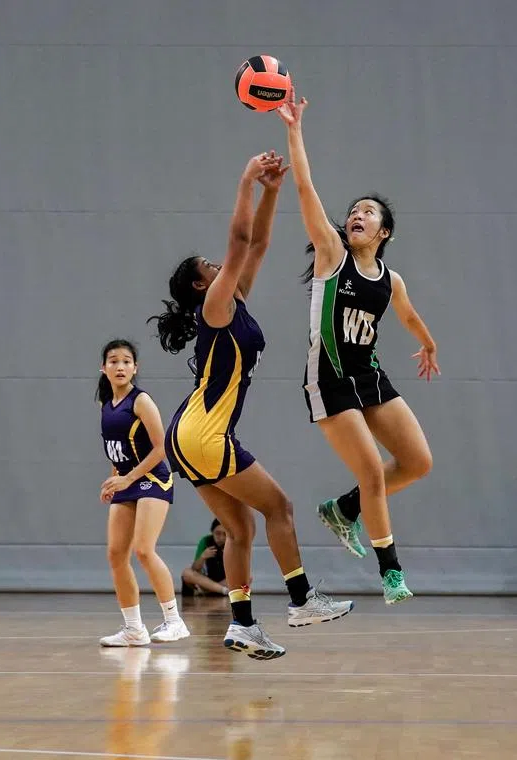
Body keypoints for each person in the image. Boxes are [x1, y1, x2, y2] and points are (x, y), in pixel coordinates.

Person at [150, 151, 353, 661]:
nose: (222, 266)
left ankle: (241, 623)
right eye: (211, 268)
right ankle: (303, 599)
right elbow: (239, 242)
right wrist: (244, 180)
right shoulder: (214, 305)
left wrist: (273, 190)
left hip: (188, 433)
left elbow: (257, 243)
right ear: (201, 284)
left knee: (240, 528)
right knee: (279, 507)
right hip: (202, 432)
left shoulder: (232, 296)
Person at [277, 90, 439, 605]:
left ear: (383, 231)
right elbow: (304, 187)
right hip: (327, 379)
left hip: (369, 378)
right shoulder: (331, 255)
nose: (356, 215)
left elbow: (409, 317)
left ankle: (344, 509)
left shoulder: (390, 279)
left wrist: (429, 344)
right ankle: (391, 572)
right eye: (353, 210)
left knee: (417, 463)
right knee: (372, 470)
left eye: (367, 212)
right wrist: (294, 128)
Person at [97, 338, 190, 646]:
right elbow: (118, 452)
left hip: (153, 478)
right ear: (104, 368)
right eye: (113, 361)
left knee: (144, 549)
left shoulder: (141, 401)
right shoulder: (106, 405)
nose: (120, 366)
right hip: (126, 480)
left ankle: (174, 621)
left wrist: (128, 479)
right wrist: (114, 481)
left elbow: (162, 447)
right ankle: (134, 629)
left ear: (135, 368)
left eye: (126, 361)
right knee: (115, 555)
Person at [181, 519, 229, 596]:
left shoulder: (232, 543)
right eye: (218, 533)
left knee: (247, 577)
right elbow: (195, 568)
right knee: (187, 573)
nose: (221, 538)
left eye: (225, 534)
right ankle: (221, 590)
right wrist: (203, 557)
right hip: (204, 580)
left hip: (224, 581)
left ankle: (210, 589)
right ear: (212, 532)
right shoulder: (205, 541)